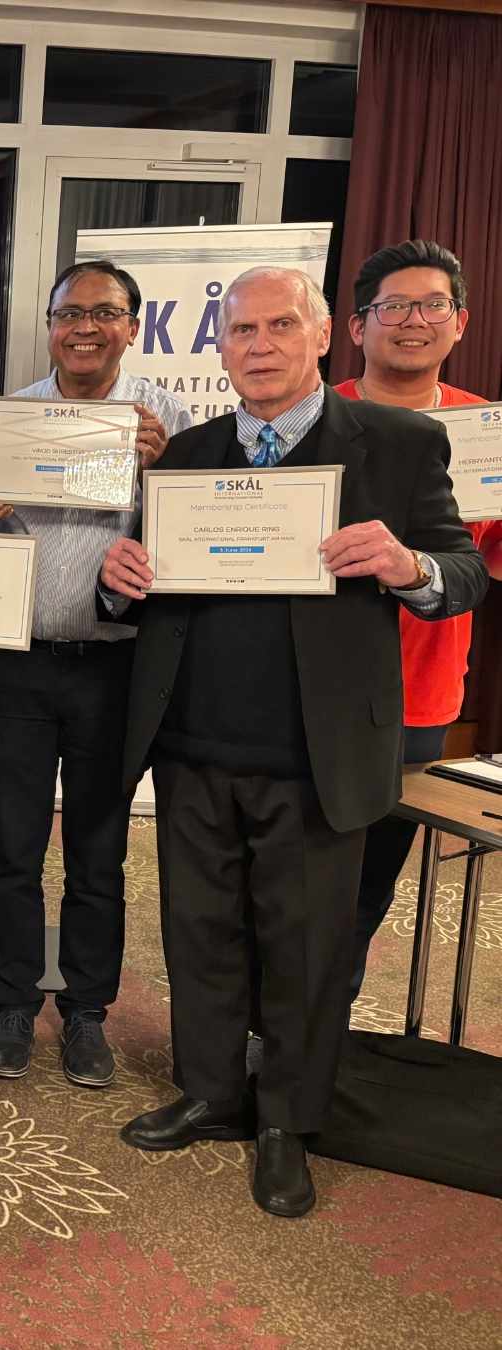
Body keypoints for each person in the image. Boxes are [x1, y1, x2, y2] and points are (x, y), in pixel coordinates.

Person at [101, 266, 486, 1218]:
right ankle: (210, 1092)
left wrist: (407, 564)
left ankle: (286, 1121)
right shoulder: (186, 454)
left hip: (318, 753)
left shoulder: (399, 442)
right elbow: (145, 596)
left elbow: (463, 570)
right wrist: (118, 580)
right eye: (242, 330)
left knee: (306, 945)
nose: (261, 345)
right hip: (191, 747)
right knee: (198, 932)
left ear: (322, 337)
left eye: (281, 326)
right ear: (220, 348)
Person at [0, 260, 193, 1090]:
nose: (85, 328)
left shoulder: (167, 420)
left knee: (99, 851)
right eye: (70, 314)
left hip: (116, 668)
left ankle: (88, 1011)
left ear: (133, 327)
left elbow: (197, 540)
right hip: (21, 666)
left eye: (104, 313)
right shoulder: (11, 418)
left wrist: (163, 473)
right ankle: (13, 1003)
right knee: (13, 845)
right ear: (50, 325)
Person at [335, 239, 502, 1002]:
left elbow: (488, 564)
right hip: (313, 686)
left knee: (369, 883)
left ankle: (318, 1032)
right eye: (394, 306)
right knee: (286, 870)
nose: (413, 321)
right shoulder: (313, 417)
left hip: (419, 696)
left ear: (460, 323)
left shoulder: (485, 434)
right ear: (357, 326)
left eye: (433, 305)